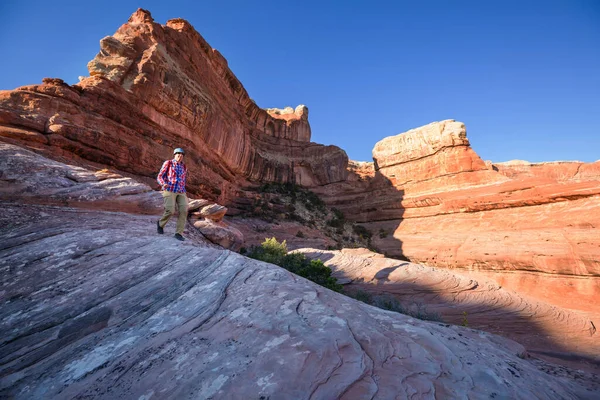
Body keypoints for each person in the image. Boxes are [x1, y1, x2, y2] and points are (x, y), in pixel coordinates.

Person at [156, 148, 189, 241]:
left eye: (182, 154)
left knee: (184, 211)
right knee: (170, 210)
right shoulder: (169, 163)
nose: (180, 155)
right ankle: (160, 224)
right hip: (170, 189)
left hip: (181, 191)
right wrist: (163, 183)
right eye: (178, 153)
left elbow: (183, 179)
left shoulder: (184, 166)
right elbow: (160, 176)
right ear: (174, 154)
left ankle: (178, 233)